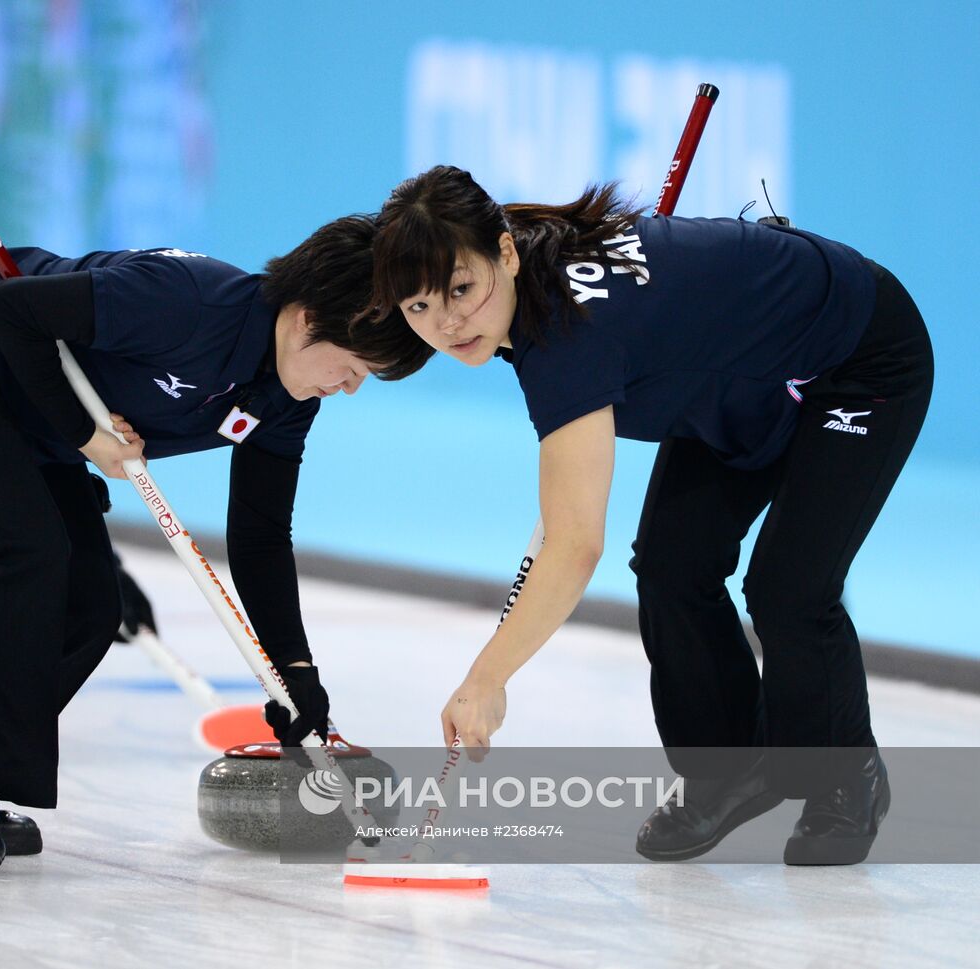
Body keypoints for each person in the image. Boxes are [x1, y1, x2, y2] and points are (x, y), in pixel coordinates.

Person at [356, 166, 932, 866]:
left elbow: (573, 546)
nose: (447, 324)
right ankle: (728, 769)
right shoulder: (533, 277)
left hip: (857, 358)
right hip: (740, 380)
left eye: (461, 290)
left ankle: (845, 776)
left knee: (788, 586)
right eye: (420, 307)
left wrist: (487, 677)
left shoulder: (567, 335)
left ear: (504, 252)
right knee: (669, 563)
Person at [0, 217, 400, 873]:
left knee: (86, 604)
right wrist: (85, 435)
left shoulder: (289, 398)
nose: (351, 386)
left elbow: (259, 534)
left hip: (24, 405)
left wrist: (295, 676)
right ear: (310, 316)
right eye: (355, 365)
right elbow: (10, 309)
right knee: (26, 551)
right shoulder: (190, 301)